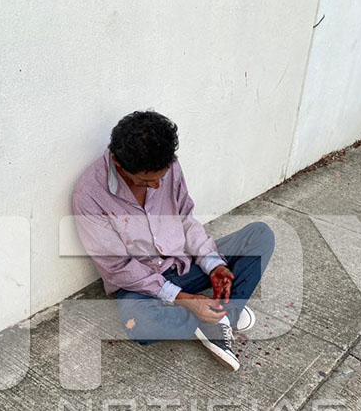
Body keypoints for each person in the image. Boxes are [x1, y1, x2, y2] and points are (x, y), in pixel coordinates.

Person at [72, 110, 275, 370]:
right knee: (141, 325)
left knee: (260, 235)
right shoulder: (89, 195)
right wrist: (185, 299)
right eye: (147, 181)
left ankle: (223, 315)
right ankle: (215, 318)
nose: (158, 185)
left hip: (183, 264)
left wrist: (214, 265)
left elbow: (186, 219)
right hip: (141, 284)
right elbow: (117, 268)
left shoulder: (169, 164)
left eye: (162, 176)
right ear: (118, 165)